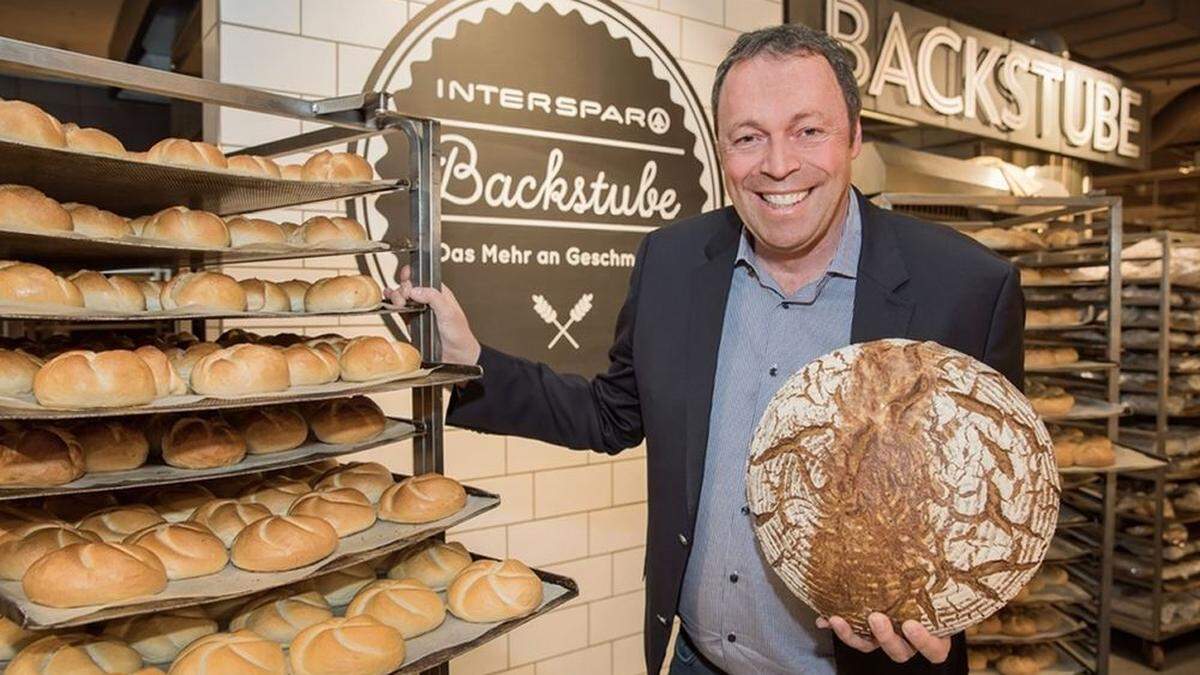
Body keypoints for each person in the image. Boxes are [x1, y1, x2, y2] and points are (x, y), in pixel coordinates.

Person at [390, 23, 1022, 675]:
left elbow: (992, 502)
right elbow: (611, 414)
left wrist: (945, 606)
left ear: (855, 136)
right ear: (723, 149)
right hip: (695, 658)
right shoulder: (672, 260)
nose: (778, 164)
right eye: (749, 137)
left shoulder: (966, 288)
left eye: (808, 130)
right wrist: (470, 357)